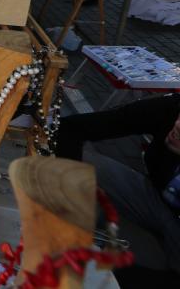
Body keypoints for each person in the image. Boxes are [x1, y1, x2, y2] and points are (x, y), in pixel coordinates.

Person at [56, 96, 180, 281]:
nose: (178, 126)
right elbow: (71, 128)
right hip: (156, 197)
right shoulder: (170, 109)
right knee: (84, 163)